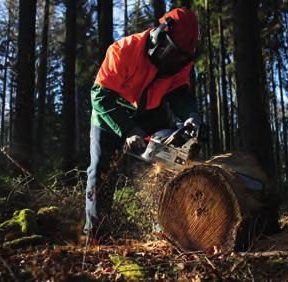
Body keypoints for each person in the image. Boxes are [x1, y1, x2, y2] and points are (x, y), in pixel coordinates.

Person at [85, 8, 201, 236]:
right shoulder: (123, 51)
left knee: (169, 161)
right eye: (171, 52)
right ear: (159, 35)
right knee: (101, 169)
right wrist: (127, 129)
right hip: (111, 113)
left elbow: (179, 93)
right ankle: (97, 233)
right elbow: (100, 96)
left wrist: (191, 115)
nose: (173, 60)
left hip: (151, 111)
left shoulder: (181, 62)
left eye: (180, 57)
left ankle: (168, 228)